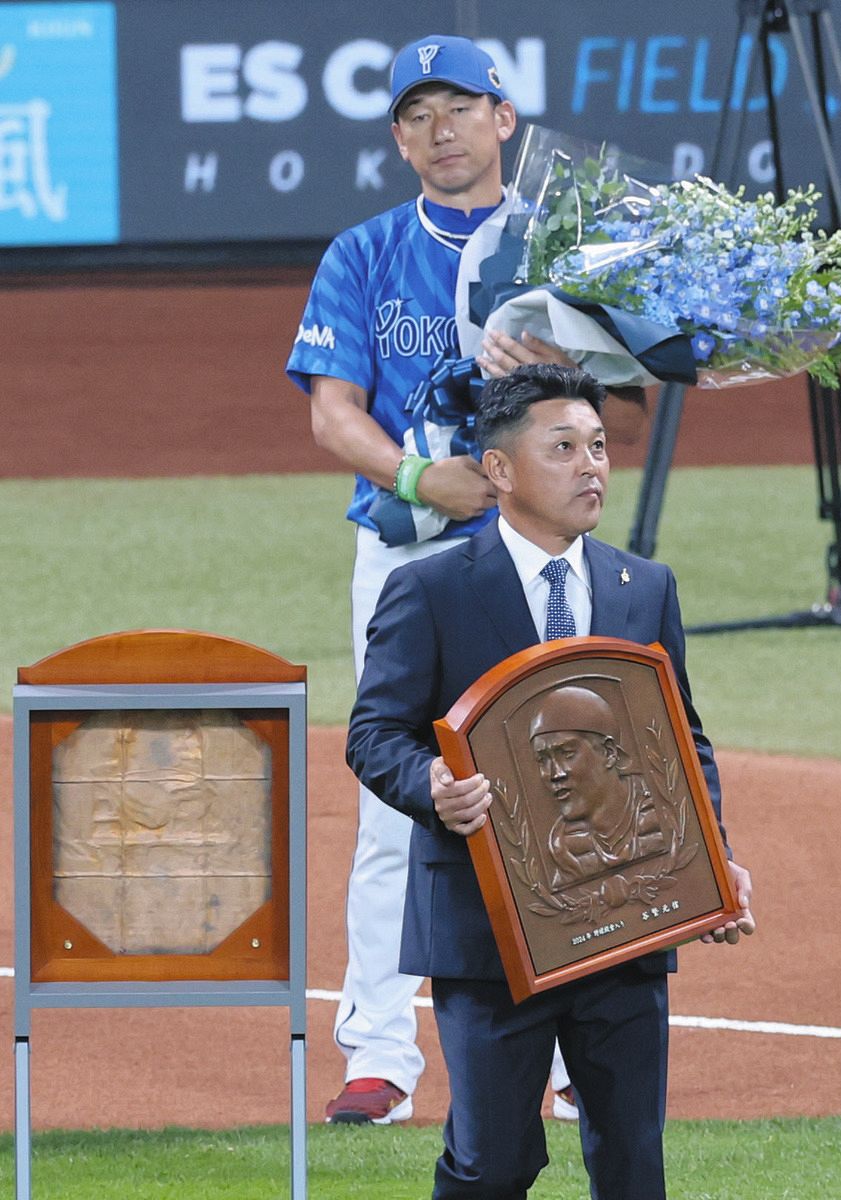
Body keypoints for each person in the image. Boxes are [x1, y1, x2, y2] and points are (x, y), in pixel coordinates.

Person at [285, 35, 642, 1123]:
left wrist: (550, 373)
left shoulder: (564, 244)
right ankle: (380, 1055)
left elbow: (618, 399)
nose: (440, 129)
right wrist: (415, 474)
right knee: (398, 790)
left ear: (502, 118)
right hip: (404, 554)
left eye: (459, 106)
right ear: (398, 137)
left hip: (537, 553)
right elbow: (328, 409)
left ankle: (581, 1046)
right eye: (417, 114)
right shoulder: (361, 251)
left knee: (570, 773)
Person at [347, 362, 754, 1198]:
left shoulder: (643, 587)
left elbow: (681, 741)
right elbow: (373, 735)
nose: (591, 465)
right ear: (498, 469)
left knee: (633, 1159)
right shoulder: (426, 589)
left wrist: (708, 863)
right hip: (487, 928)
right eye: (562, 446)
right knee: (492, 1162)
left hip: (626, 918)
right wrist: (430, 784)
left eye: (598, 447)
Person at [529, 686, 669, 887]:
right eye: (542, 760)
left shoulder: (661, 809)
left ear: (609, 753)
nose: (555, 773)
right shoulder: (562, 849)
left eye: (567, 753)